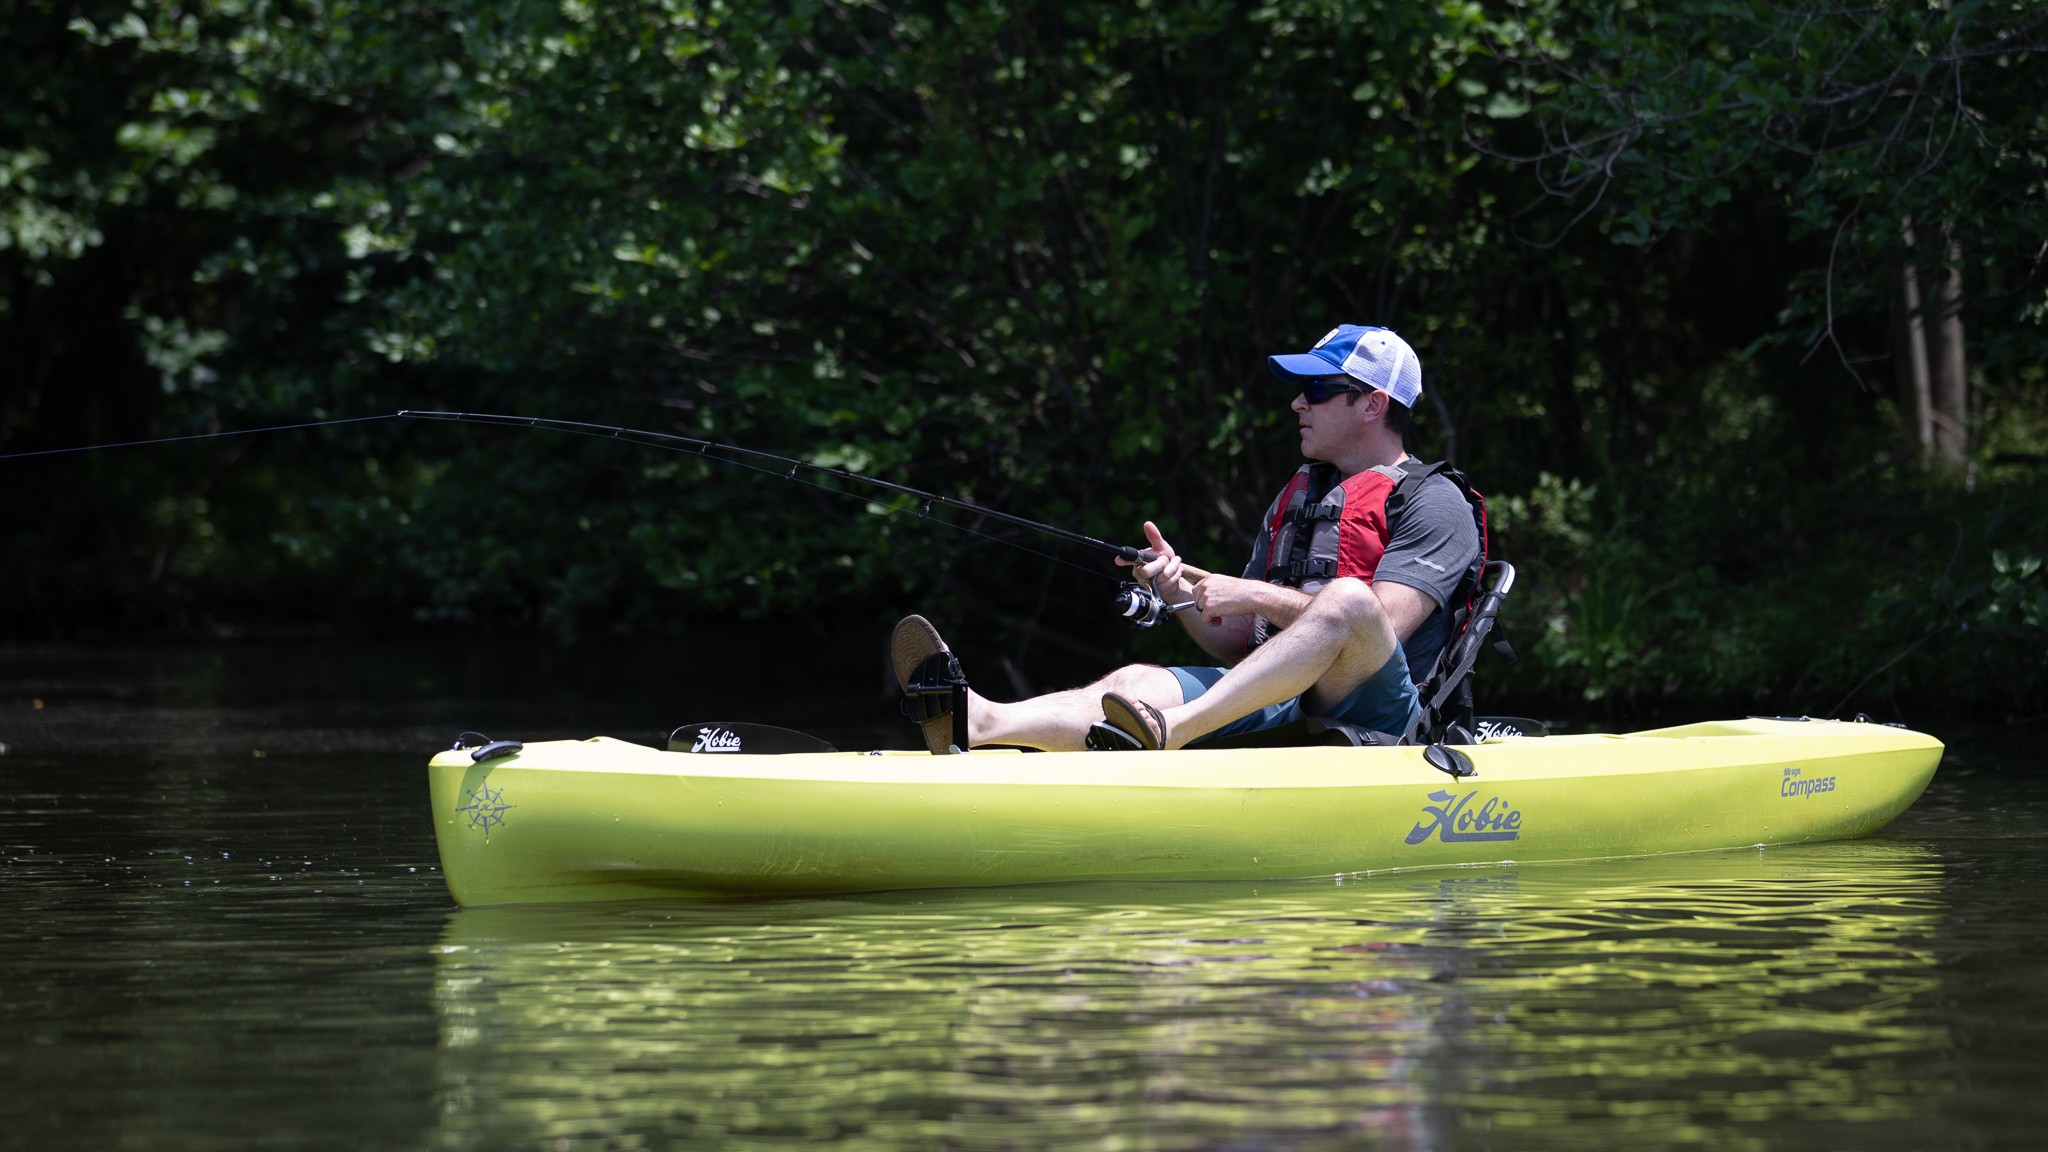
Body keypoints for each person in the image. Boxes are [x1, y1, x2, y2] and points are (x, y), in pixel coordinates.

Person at [892, 324, 1481, 753]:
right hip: (1284, 699)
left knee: (1349, 600)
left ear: (1373, 404)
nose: (1297, 402)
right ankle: (981, 722)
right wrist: (1179, 592)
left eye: (1318, 390)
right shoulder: (1299, 496)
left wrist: (1251, 593)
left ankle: (1171, 731)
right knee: (1134, 682)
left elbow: (1378, 623)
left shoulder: (1434, 501)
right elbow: (1238, 648)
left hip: (1379, 712)